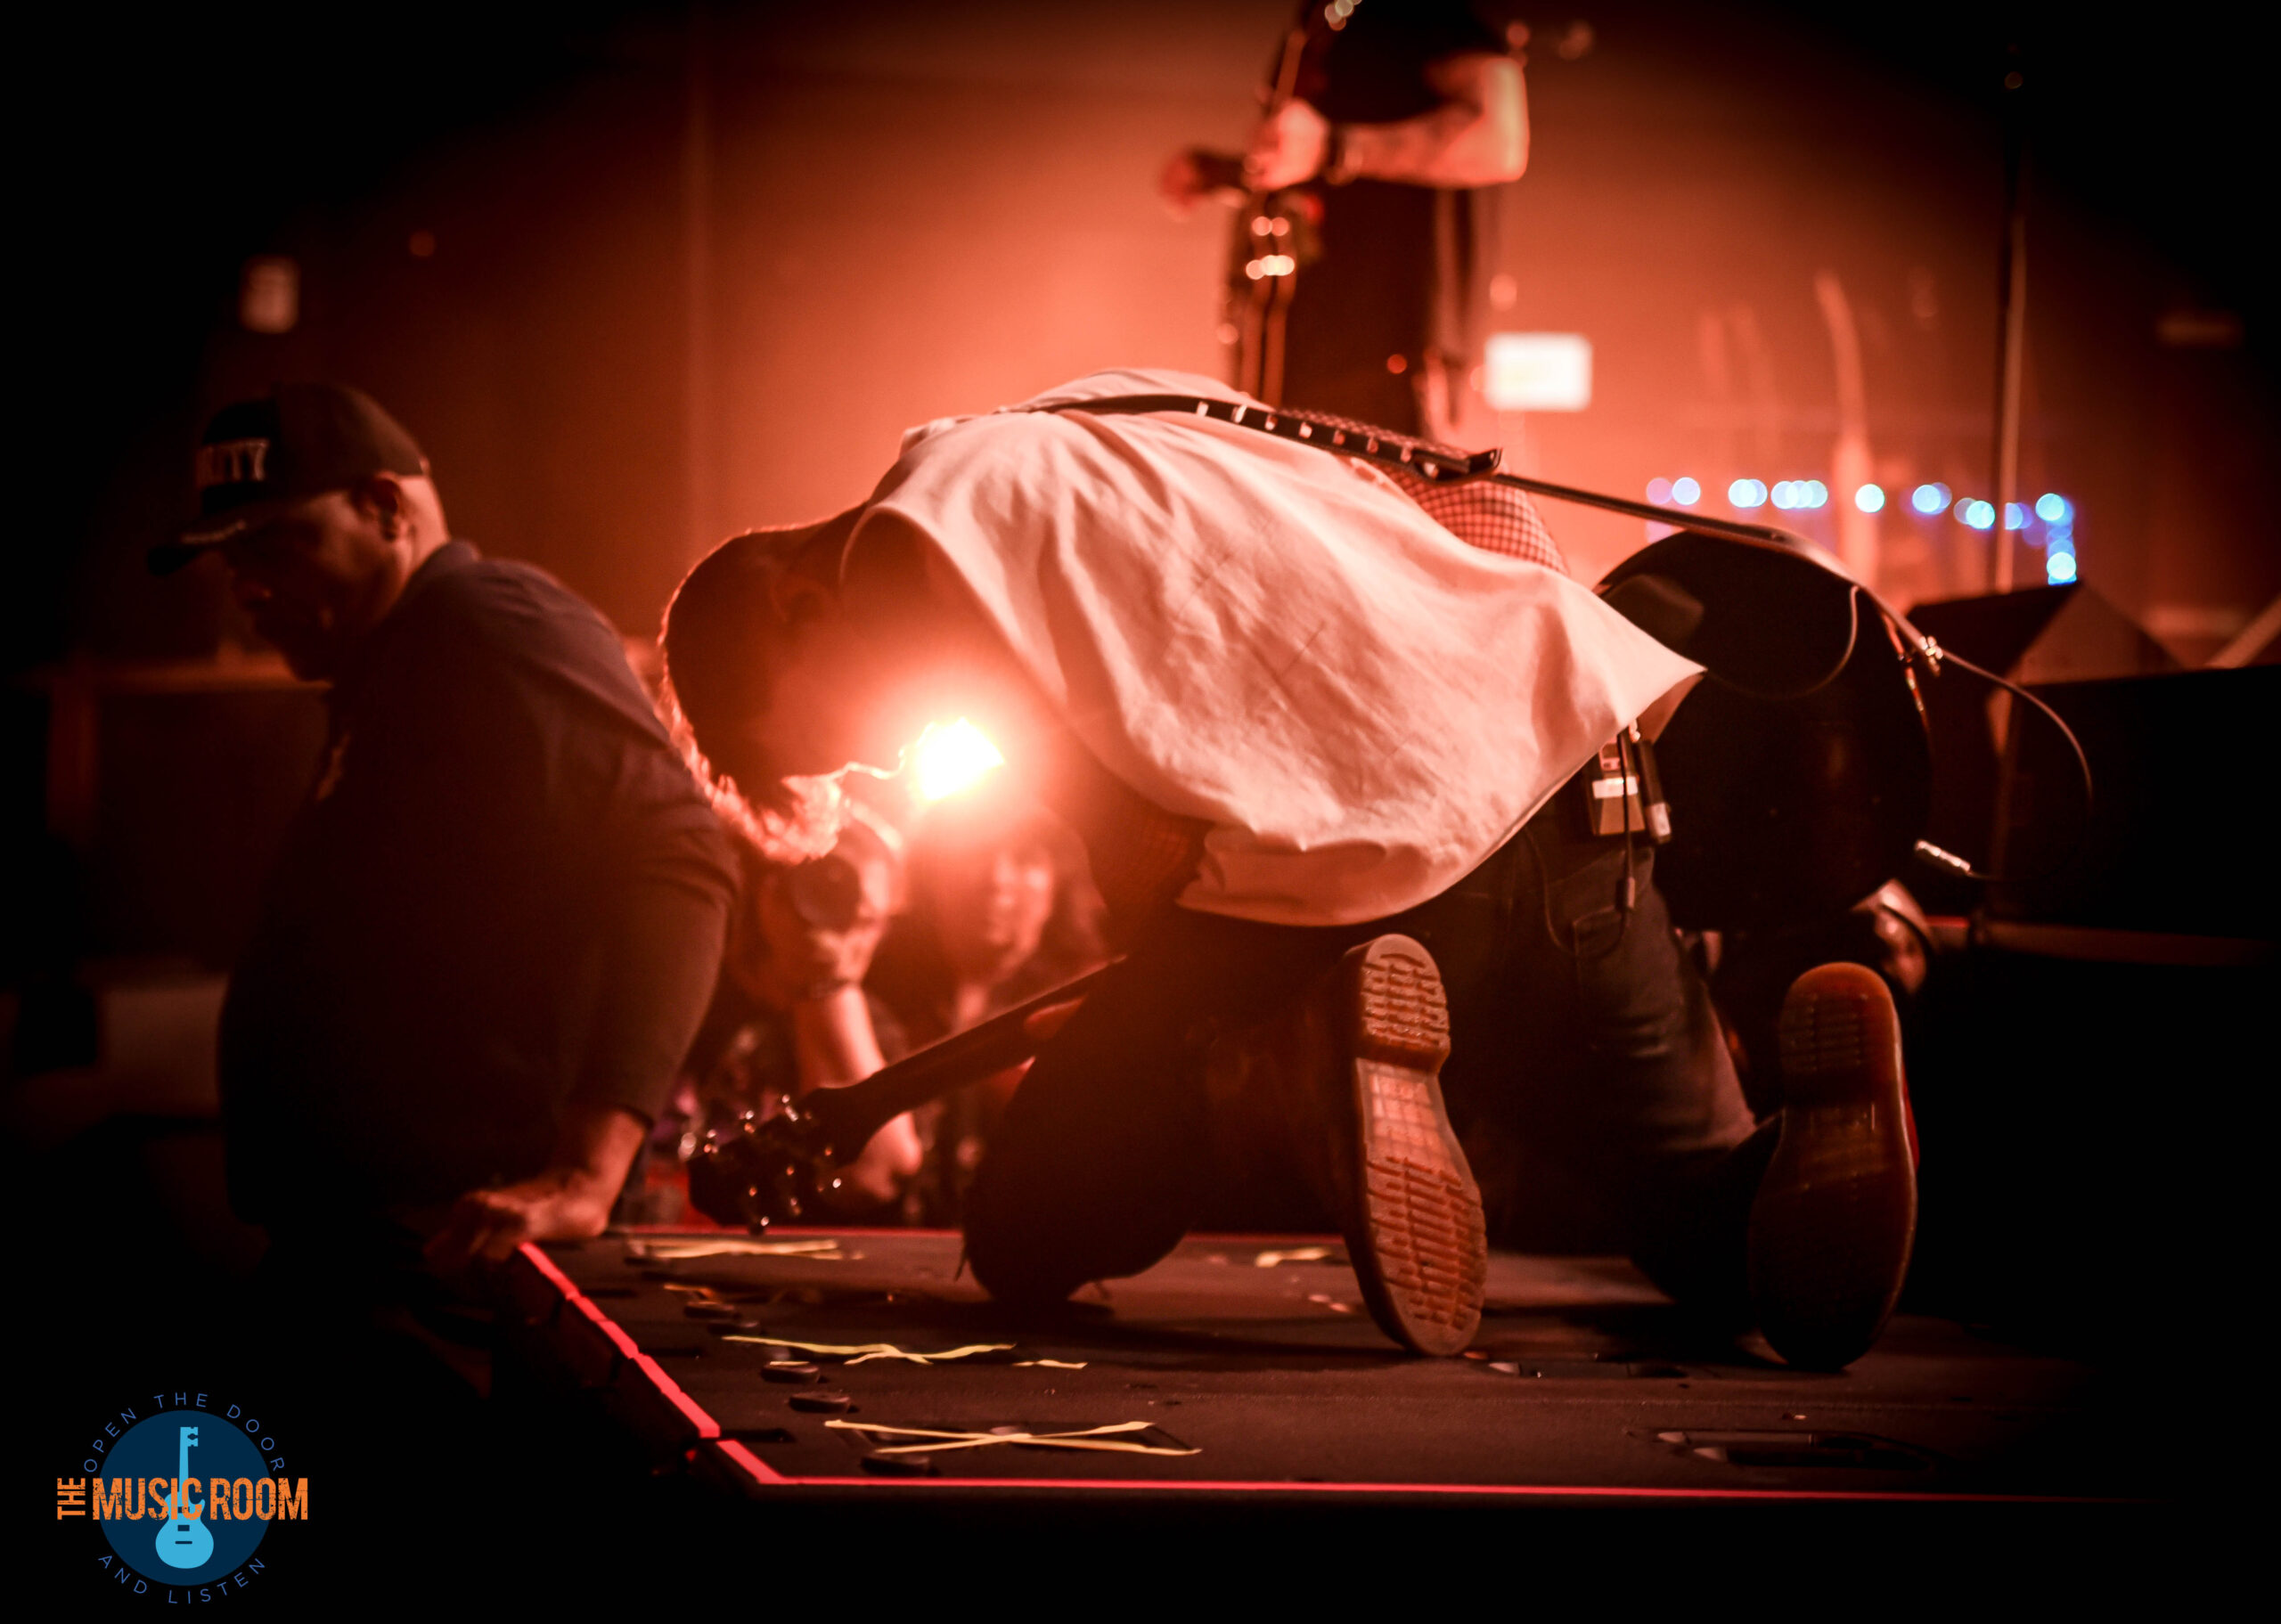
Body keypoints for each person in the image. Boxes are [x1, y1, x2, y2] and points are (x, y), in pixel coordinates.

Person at [658, 367, 1919, 1369]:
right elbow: (1439, 495)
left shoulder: (894, 553)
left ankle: (1305, 1083)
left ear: (795, 608)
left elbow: (1147, 851)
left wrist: (1183, 1022)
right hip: (1588, 789)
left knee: (1032, 1227)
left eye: (836, 733)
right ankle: (1808, 1133)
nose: (879, 755)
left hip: (1372, 882)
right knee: (1717, 1232)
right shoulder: (1098, 406)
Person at [150, 384, 738, 1309]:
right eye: (231, 559)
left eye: (273, 544)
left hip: (441, 1250)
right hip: (369, 1245)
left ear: (384, 508)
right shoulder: (400, 662)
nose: (247, 586)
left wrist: (590, 1166)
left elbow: (680, 855)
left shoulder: (484, 621)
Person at [1161, 0, 1528, 432]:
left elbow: (1498, 139)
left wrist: (1331, 148)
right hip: (1300, 364)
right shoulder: (1324, 16)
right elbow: (1317, 171)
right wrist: (1224, 172)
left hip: (1386, 361)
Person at [632, 812, 920, 1222]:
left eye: (864, 916)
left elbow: (875, 1176)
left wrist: (825, 987)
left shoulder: (875, 1031)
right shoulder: (683, 985)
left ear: (884, 929)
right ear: (771, 892)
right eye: (821, 897)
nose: (839, 926)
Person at [867, 787, 1109, 1220]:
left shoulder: (1090, 1008)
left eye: (1025, 859)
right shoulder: (873, 988)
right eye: (974, 853)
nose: (996, 879)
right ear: (931, 874)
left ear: (1059, 884)